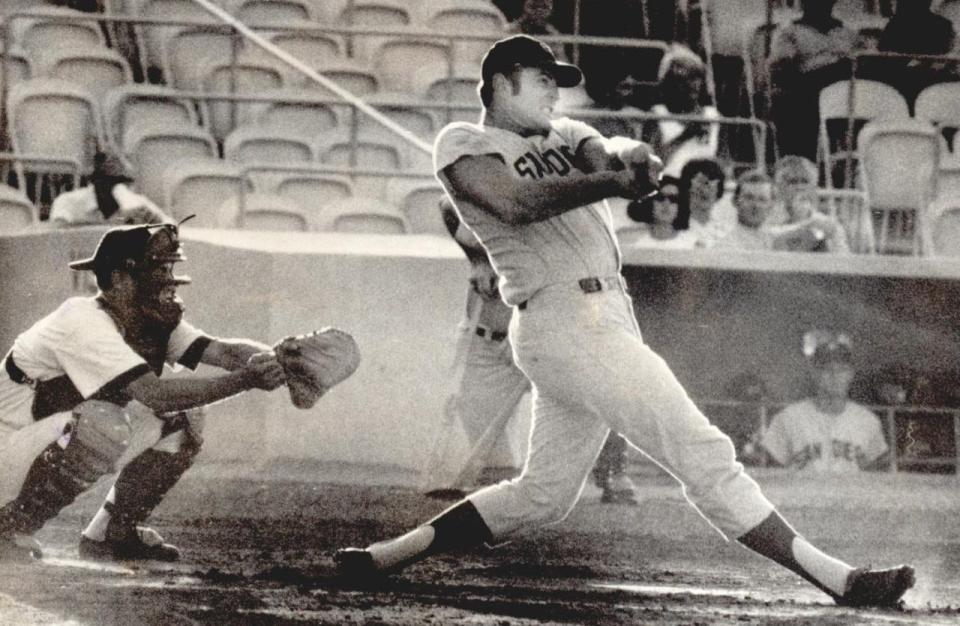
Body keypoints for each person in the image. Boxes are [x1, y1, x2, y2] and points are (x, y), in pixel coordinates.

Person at [335, 34, 915, 608]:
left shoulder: (565, 133)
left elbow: (608, 155)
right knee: (706, 454)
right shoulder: (463, 140)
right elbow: (513, 202)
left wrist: (635, 162)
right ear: (500, 85)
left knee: (543, 495)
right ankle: (841, 579)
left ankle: (387, 555)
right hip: (561, 318)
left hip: (599, 317)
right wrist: (612, 181)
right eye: (541, 83)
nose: (553, 95)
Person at [0, 220, 286, 562]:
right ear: (119, 279)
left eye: (167, 267)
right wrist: (246, 380)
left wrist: (283, 359)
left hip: (31, 443)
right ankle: (9, 529)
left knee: (184, 417)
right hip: (8, 440)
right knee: (101, 423)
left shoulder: (145, 319)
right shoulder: (82, 318)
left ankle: (112, 533)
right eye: (156, 268)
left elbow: (224, 352)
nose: (166, 278)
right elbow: (155, 394)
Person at [434, 197, 640, 504]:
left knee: (600, 388)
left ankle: (613, 472)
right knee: (481, 454)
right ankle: (496, 491)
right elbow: (447, 205)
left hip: (548, 326)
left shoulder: (558, 204)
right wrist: (478, 259)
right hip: (489, 336)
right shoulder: (481, 188)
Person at [759, 331, 889, 472]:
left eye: (841, 370)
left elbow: (880, 480)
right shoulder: (787, 418)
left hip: (850, 493)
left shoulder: (868, 421)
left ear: (850, 374)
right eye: (827, 370)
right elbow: (770, 476)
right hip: (802, 493)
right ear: (814, 374)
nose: (834, 376)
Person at [768, 0, 858, 160]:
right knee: (795, 99)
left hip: (846, 92)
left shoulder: (847, 34)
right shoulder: (790, 32)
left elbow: (861, 61)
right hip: (807, 87)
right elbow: (782, 71)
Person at [643, 45, 720, 179]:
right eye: (682, 79)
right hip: (666, 188)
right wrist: (685, 136)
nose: (691, 84)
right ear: (668, 82)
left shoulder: (713, 116)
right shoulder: (657, 114)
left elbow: (724, 163)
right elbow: (650, 165)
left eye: (696, 77)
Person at [49, 151, 171, 227]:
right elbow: (56, 235)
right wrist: (112, 224)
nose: (113, 188)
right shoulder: (67, 201)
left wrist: (156, 222)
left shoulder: (138, 203)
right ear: (95, 182)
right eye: (107, 182)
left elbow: (173, 229)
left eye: (119, 183)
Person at [767, 155, 850, 253]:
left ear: (813, 187)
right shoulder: (766, 220)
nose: (800, 187)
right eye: (793, 182)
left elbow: (842, 259)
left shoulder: (829, 225)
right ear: (778, 188)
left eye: (805, 182)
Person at [620, 176, 699, 249]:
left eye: (673, 199)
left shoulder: (692, 244)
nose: (666, 204)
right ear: (649, 203)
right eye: (660, 198)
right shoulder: (627, 239)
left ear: (681, 206)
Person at [713, 170, 777, 251]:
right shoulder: (723, 246)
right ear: (735, 201)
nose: (755, 205)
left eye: (762, 199)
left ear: (771, 205)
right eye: (749, 198)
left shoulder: (779, 244)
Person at [677, 158, 731, 247]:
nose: (705, 191)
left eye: (710, 187)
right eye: (700, 185)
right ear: (687, 188)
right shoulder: (674, 229)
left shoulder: (726, 232)